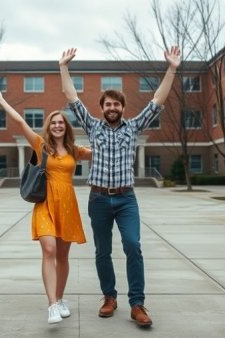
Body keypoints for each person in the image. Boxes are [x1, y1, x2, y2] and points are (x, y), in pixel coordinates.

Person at [58, 46, 181, 327]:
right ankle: (109, 297)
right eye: (108, 104)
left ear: (123, 108)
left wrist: (172, 68)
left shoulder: (133, 127)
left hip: (126, 200)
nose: (112, 108)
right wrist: (64, 67)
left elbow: (158, 101)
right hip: (98, 200)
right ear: (102, 108)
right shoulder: (93, 127)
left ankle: (137, 304)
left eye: (116, 104)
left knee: (133, 245)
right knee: (102, 251)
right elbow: (71, 96)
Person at [0, 88, 91, 324]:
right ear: (49, 127)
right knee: (49, 250)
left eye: (61, 122)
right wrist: (1, 100)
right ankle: (52, 304)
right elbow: (20, 122)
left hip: (68, 206)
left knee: (62, 257)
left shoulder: (75, 150)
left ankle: (60, 299)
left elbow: (103, 152)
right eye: (54, 123)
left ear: (66, 126)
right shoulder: (40, 144)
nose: (58, 126)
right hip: (45, 204)